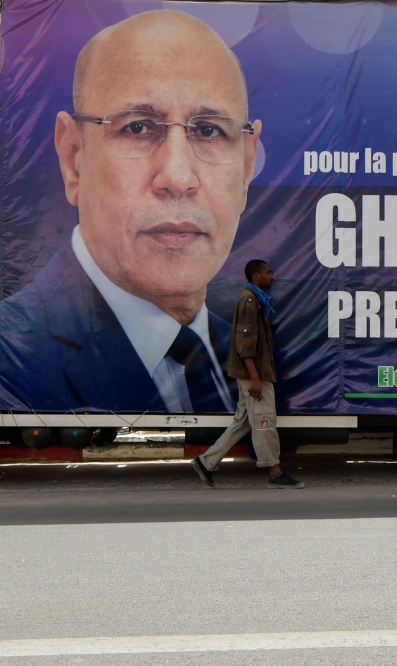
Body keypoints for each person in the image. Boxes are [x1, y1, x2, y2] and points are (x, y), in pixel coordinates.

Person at [0, 10, 262, 413]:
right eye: (138, 127)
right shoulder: (11, 359)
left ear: (246, 167)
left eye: (209, 130)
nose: (177, 177)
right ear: (73, 158)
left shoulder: (241, 353)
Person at [192, 260, 303, 490]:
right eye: (268, 273)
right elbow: (245, 345)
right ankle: (274, 472)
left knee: (242, 423)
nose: (273, 276)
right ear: (255, 277)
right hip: (254, 374)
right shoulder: (249, 301)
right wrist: (254, 378)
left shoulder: (256, 300)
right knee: (265, 422)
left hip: (254, 373)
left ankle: (206, 462)